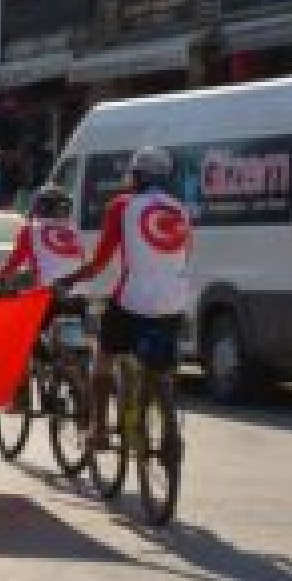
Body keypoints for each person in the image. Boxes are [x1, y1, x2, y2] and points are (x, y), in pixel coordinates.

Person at [62, 146, 192, 450]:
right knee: (162, 365)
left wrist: (70, 280)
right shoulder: (179, 209)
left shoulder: (122, 205)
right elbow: (181, 256)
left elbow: (100, 262)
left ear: (138, 176)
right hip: (174, 300)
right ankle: (170, 426)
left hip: (133, 300)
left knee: (104, 355)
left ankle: (98, 429)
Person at [0, 185, 84, 289]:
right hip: (79, 289)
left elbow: (12, 265)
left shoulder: (31, 230)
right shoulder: (73, 231)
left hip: (49, 291)